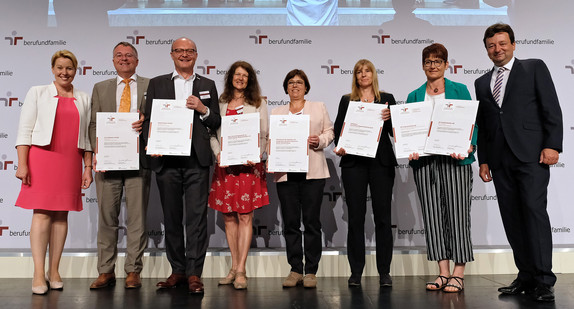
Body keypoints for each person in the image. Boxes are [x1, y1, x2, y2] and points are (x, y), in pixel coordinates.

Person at [475, 23, 563, 302]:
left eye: (502, 43)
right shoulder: (481, 83)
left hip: (531, 155)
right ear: (486, 49)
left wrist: (552, 145)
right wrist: (484, 160)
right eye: (491, 45)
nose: (497, 49)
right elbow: (486, 126)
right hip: (500, 161)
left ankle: (543, 279)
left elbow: (551, 107)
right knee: (512, 218)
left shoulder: (534, 67)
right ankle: (525, 275)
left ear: (513, 44)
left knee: (534, 213)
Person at [142, 37, 221, 294]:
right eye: (179, 51)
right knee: (172, 218)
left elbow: (216, 121)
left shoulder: (207, 85)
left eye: (189, 51)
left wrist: (203, 109)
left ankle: (194, 273)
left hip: (197, 160)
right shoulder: (157, 83)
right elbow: (148, 121)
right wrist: (151, 144)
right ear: (172, 54)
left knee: (197, 219)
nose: (184, 55)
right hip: (166, 160)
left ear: (196, 55)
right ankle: (177, 270)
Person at [15, 50, 93, 295]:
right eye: (60, 67)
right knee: (42, 214)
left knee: (61, 216)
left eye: (69, 68)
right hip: (42, 158)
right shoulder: (37, 92)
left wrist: (88, 166)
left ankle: (54, 270)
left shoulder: (84, 97)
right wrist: (22, 163)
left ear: (75, 70)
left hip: (71, 160)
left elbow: (88, 137)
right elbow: (24, 130)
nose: (64, 72)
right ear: (52, 69)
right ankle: (38, 273)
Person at [406, 43, 476, 293]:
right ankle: (443, 272)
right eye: (428, 61)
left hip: (455, 160)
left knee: (457, 215)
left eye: (437, 61)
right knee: (433, 217)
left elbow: (473, 123)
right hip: (425, 163)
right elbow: (408, 130)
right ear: (422, 65)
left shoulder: (460, 90)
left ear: (447, 65)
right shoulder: (415, 95)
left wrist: (470, 144)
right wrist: (410, 149)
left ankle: (459, 272)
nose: (432, 65)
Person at [88, 42, 151, 290]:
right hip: (107, 162)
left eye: (129, 55)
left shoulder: (150, 85)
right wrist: (97, 151)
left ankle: (133, 270)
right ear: (113, 60)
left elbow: (159, 119)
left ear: (137, 60)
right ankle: (105, 270)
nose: (124, 59)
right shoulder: (100, 87)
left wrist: (146, 121)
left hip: (139, 160)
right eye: (119, 55)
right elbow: (94, 124)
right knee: (106, 217)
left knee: (137, 218)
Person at [333, 59, 397, 287]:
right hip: (354, 165)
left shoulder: (386, 99)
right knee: (356, 219)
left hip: (381, 164)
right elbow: (339, 130)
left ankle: (385, 272)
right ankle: (356, 272)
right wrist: (340, 146)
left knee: (383, 218)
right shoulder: (346, 100)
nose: (363, 74)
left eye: (367, 70)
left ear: (373, 74)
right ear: (355, 77)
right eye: (359, 72)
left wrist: (392, 119)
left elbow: (395, 133)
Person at [208, 61, 269, 290]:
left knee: (245, 216)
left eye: (245, 75)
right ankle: (233, 267)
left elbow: (264, 134)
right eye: (237, 74)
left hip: (248, 167)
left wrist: (258, 153)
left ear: (250, 79)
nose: (240, 78)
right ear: (231, 77)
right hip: (226, 166)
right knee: (228, 217)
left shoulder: (258, 103)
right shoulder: (221, 102)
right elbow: (212, 133)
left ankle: (241, 269)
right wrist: (218, 154)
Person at [271, 69, 334, 289]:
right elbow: (270, 140)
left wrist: (320, 140)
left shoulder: (318, 107)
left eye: (299, 82)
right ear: (286, 88)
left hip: (312, 173)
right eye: (291, 82)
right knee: (290, 223)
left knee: (311, 222)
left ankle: (311, 271)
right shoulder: (276, 112)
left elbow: (330, 132)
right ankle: (295, 268)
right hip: (286, 173)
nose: (295, 86)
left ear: (306, 87)